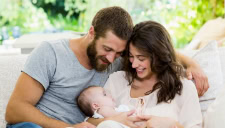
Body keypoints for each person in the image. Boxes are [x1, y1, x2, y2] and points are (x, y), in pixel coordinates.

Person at [5, 6, 207, 128]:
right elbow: (14, 110)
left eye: (120, 53)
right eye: (107, 49)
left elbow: (154, 51)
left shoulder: (119, 63)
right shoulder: (51, 52)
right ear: (91, 32)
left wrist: (192, 63)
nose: (112, 59)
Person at [95, 21, 202, 128]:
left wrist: (173, 125)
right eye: (131, 56)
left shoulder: (184, 88)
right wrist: (115, 119)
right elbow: (91, 119)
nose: (134, 64)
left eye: (141, 58)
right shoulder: (117, 80)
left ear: (159, 56)